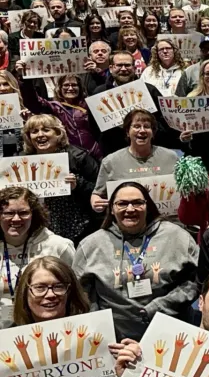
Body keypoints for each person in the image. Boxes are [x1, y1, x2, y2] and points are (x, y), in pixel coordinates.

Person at [76, 180, 198, 340]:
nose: (130, 209)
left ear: (148, 207)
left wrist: (164, 305)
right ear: (111, 209)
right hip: (114, 341)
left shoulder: (177, 236)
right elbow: (81, 292)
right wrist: (100, 329)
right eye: (122, 204)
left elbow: (197, 280)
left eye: (137, 203)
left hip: (172, 336)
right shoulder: (90, 245)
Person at [0, 187, 75, 325]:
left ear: (33, 214)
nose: (16, 219)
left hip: (47, 329)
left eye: (23, 213)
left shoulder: (59, 246)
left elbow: (76, 292)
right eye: (8, 213)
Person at [21, 113, 99, 244]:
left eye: (46, 130)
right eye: (34, 132)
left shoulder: (78, 156)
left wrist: (78, 184)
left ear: (58, 133)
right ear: (29, 137)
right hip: (36, 228)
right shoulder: (22, 160)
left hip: (79, 227)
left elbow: (99, 188)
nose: (40, 135)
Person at [89, 109, 180, 213]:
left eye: (146, 126)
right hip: (128, 222)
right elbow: (97, 194)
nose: (142, 130)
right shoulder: (110, 161)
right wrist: (95, 202)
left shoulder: (171, 157)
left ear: (153, 132)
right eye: (136, 126)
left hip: (165, 221)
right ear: (127, 132)